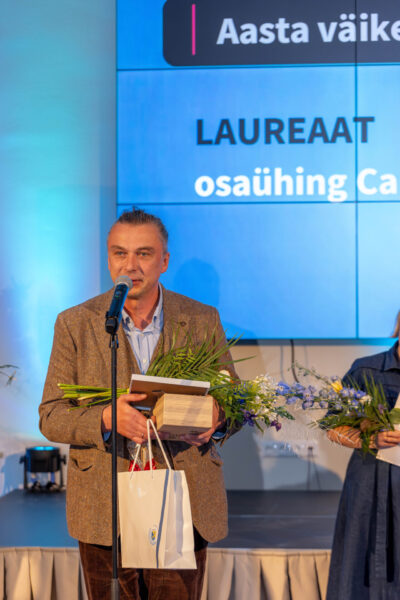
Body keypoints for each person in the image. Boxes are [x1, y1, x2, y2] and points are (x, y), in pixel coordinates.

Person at [39, 208, 236, 600]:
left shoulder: (201, 319)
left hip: (183, 500)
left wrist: (217, 417)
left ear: (164, 261)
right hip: (104, 505)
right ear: (108, 258)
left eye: (143, 254)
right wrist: (106, 418)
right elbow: (51, 415)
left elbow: (235, 402)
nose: (130, 265)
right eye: (120, 253)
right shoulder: (75, 323)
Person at [326, 311, 400, 600]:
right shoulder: (366, 370)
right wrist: (369, 439)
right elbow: (333, 428)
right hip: (371, 484)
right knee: (362, 569)